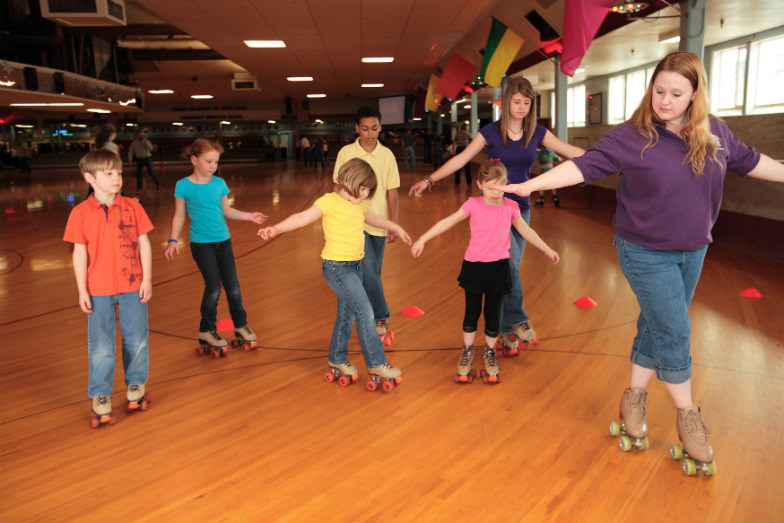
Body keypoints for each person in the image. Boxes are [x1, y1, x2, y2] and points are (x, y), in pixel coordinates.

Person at [495, 51, 784, 473]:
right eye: (659, 89)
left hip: (694, 249)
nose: (664, 100)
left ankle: (633, 398)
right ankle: (689, 418)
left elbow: (753, 162)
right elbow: (584, 167)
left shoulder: (715, 134)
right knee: (674, 327)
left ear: (695, 95)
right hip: (644, 250)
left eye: (676, 93)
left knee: (655, 324)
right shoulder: (632, 136)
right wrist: (531, 185)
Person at [409, 77, 584, 355]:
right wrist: (430, 180)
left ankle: (503, 331)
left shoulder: (536, 133)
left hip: (521, 209)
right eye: (517, 101)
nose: (522, 107)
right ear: (505, 102)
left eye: (527, 103)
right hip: (494, 210)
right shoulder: (490, 133)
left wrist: (610, 159)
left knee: (505, 272)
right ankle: (518, 320)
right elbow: (461, 159)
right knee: (510, 265)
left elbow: (571, 152)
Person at [258, 158, 411, 390]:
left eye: (368, 192)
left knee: (346, 315)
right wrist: (276, 228)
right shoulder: (328, 202)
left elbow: (373, 218)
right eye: (363, 190)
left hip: (356, 266)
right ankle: (377, 363)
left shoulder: (359, 204)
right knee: (365, 313)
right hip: (337, 269)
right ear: (350, 181)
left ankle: (337, 359)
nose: (364, 196)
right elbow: (301, 218)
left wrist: (396, 226)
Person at [412, 160, 559, 384]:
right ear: (480, 184)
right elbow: (447, 222)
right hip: (474, 267)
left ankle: (490, 352)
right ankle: (467, 351)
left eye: (500, 187)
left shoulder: (511, 207)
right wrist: (423, 238)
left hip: (498, 269)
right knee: (471, 314)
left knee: (492, 314)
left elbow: (526, 231)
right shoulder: (473, 205)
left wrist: (547, 249)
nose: (495, 192)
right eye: (490, 187)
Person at [62, 149, 154, 428]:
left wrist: (147, 279)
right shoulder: (80, 213)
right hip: (98, 289)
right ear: (89, 178)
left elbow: (145, 244)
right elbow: (79, 253)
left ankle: (136, 384)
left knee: (136, 339)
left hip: (132, 285)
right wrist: (82, 290)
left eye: (119, 172)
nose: (117, 178)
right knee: (101, 345)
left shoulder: (133, 207)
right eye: (109, 173)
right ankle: (100, 395)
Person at [163, 138, 268, 356]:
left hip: (223, 241)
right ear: (194, 160)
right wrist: (173, 239)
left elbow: (227, 211)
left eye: (216, 162)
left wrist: (249, 216)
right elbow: (179, 215)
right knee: (213, 287)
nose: (213, 166)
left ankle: (241, 325)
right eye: (209, 161)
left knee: (234, 286)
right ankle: (207, 330)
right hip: (201, 245)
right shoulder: (183, 185)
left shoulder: (219, 184)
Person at [333, 106, 402, 343]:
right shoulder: (346, 152)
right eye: (365, 128)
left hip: (380, 223)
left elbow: (392, 191)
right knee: (369, 270)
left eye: (374, 128)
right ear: (356, 129)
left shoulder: (387, 155)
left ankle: (366, 313)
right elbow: (337, 186)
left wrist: (393, 223)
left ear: (381, 128)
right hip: (355, 223)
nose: (370, 133)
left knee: (374, 273)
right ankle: (381, 316)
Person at [128, 131, 161, 196]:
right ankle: (139, 188)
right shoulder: (134, 143)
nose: (141, 136)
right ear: (137, 136)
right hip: (139, 160)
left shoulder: (146, 141)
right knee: (138, 174)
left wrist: (146, 142)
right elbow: (131, 152)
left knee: (151, 173)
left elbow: (151, 148)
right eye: (139, 135)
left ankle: (158, 185)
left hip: (147, 158)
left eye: (142, 135)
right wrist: (130, 160)